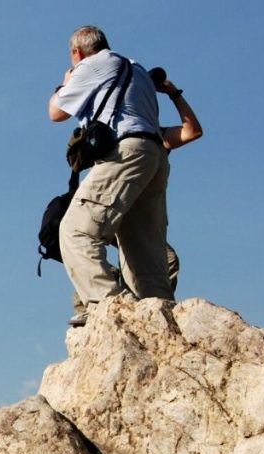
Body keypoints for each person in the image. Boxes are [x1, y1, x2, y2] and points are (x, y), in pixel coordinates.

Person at [49, 26, 171, 327]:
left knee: (76, 230)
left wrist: (64, 84)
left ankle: (110, 309)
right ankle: (161, 320)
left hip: (123, 153)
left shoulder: (92, 65)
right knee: (145, 251)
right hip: (154, 155)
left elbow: (56, 112)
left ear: (77, 53)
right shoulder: (138, 68)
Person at [68, 73, 203, 321]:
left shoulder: (153, 136)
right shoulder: (117, 136)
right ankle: (116, 308)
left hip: (134, 217)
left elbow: (191, 132)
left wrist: (174, 94)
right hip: (116, 212)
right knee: (93, 243)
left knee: (162, 261)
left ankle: (147, 312)